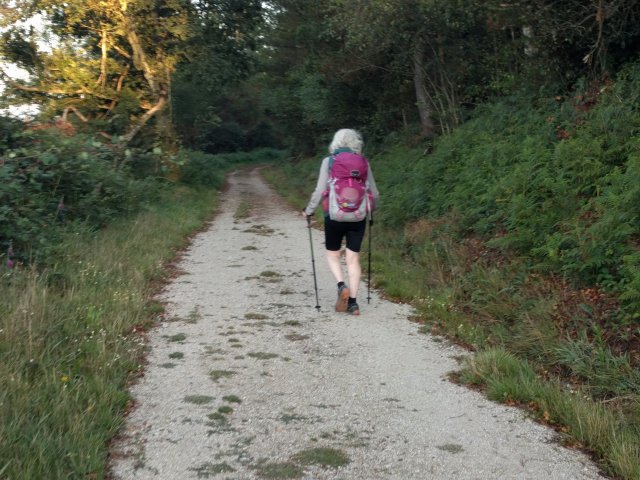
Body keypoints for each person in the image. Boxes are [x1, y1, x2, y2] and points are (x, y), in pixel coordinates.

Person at [302, 129, 379, 315]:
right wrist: (370, 211)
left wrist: (309, 210)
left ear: (335, 143)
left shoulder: (329, 162)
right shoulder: (363, 162)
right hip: (358, 217)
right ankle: (353, 303)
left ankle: (341, 285)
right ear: (356, 143)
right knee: (353, 259)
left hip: (334, 216)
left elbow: (320, 190)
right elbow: (375, 193)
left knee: (332, 254)